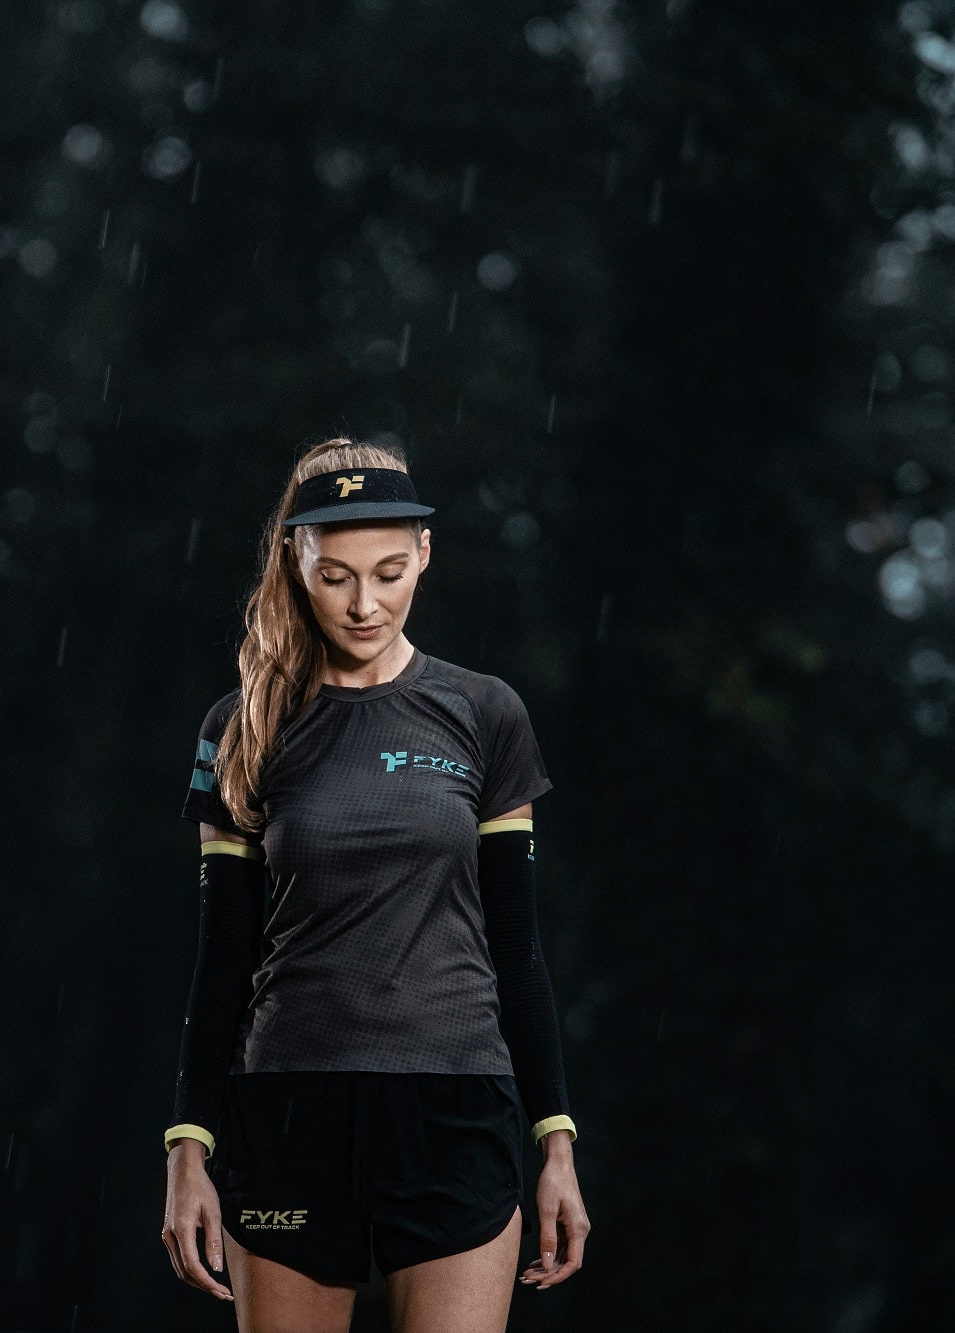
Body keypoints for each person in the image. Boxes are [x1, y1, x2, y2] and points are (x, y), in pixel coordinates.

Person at [158, 437, 591, 1331]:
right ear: (294, 560)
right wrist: (187, 1146)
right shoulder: (242, 727)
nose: (365, 603)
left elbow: (518, 948)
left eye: (390, 572)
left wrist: (556, 1139)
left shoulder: (484, 713)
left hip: (454, 1109)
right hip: (290, 1112)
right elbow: (222, 958)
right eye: (337, 576)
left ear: (425, 554)